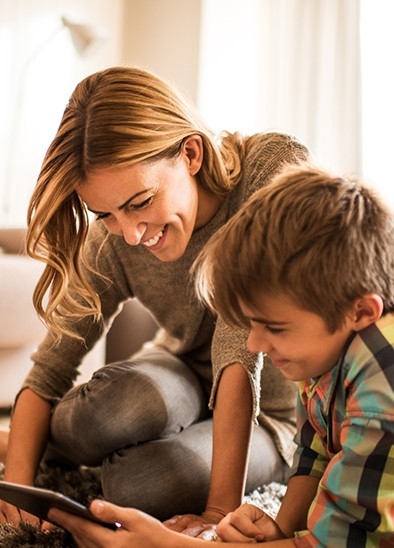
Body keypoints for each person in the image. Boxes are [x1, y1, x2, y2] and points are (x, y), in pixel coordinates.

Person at [0, 65, 310, 531]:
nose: (129, 233)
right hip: (180, 371)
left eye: (140, 202)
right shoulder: (114, 241)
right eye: (105, 213)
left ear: (190, 153)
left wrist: (216, 515)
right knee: (112, 408)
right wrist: (18, 489)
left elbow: (237, 348)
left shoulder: (270, 170)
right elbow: (50, 369)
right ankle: (24, 445)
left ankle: (22, 440)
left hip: (271, 418)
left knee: (138, 485)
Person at [49, 165, 394, 546]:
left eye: (274, 328)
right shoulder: (325, 347)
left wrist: (166, 544)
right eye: (252, 325)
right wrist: (281, 528)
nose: (255, 345)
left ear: (361, 312)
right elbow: (314, 451)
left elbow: (339, 543)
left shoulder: (382, 384)